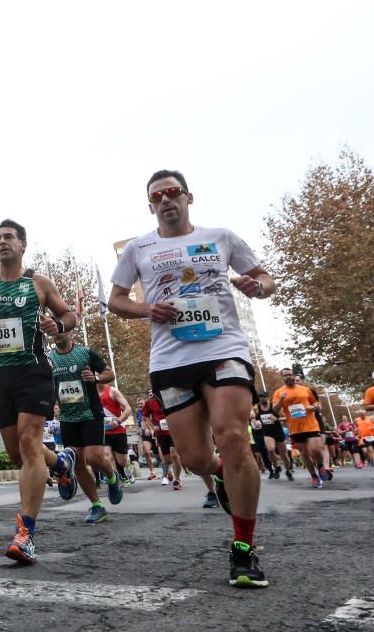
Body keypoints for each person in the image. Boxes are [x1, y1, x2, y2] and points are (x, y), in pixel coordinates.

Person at [108, 169, 275, 588]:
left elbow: (267, 279)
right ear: (150, 205)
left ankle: (243, 549)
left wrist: (257, 286)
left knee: (234, 435)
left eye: (173, 192)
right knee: (196, 458)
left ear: (188, 197)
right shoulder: (138, 248)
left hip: (225, 348)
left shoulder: (222, 237)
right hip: (171, 359)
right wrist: (147, 310)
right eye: (157, 195)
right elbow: (115, 300)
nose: (166, 199)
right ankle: (217, 472)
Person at [0, 219, 79, 564]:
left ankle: (25, 532)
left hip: (33, 371)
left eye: (8, 237)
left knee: (29, 443)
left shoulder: (39, 284)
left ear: (23, 245)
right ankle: (61, 463)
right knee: (17, 454)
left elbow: (68, 316)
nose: (1, 242)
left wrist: (56, 326)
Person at [50, 330, 123, 523]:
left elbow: (110, 373)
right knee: (78, 463)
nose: (57, 334)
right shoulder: (50, 359)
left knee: (94, 457)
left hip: (90, 413)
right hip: (67, 417)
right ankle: (97, 506)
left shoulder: (85, 353)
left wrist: (96, 378)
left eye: (60, 330)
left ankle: (112, 476)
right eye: (53, 331)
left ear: (69, 331)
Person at [273, 368, 331, 488]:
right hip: (295, 428)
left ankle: (320, 466)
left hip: (311, 425)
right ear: (282, 377)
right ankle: (314, 476)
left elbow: (316, 404)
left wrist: (313, 407)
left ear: (293, 375)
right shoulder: (279, 393)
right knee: (304, 454)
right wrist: (281, 400)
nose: (288, 377)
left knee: (315, 449)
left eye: (290, 374)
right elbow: (274, 410)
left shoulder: (305, 390)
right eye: (285, 375)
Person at [99, 381, 135, 486]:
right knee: (107, 457)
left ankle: (128, 469)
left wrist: (118, 421)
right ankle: (116, 480)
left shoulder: (113, 391)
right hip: (103, 431)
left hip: (118, 430)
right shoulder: (90, 393)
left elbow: (128, 409)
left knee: (122, 462)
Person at [256, 392, 292, 480]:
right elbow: (255, 418)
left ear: (268, 397)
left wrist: (277, 419)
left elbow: (287, 417)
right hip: (267, 433)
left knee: (284, 454)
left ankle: (288, 471)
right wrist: (256, 422)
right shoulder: (257, 408)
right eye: (260, 397)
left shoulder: (274, 406)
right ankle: (277, 466)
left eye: (263, 397)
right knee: (270, 449)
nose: (262, 399)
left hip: (278, 432)